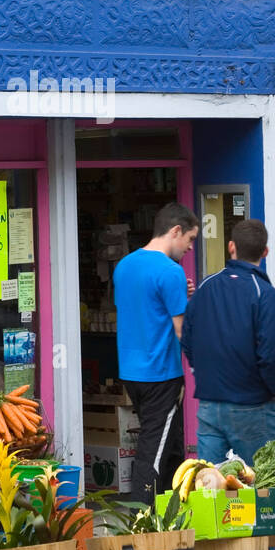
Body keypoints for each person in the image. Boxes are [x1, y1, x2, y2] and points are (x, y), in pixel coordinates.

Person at [182, 218, 275, 468]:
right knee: (267, 485)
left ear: (231, 247)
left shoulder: (205, 287)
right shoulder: (265, 295)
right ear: (265, 252)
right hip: (253, 406)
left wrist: (205, 374)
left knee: (210, 488)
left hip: (210, 404)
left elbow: (188, 338)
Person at [113, 202, 199, 504]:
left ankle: (172, 510)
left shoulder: (124, 265)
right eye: (189, 239)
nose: (190, 248)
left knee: (171, 444)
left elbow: (145, 307)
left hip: (132, 372)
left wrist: (179, 296)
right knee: (154, 449)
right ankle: (142, 517)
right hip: (161, 374)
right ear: (175, 231)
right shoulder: (170, 271)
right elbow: (181, 331)